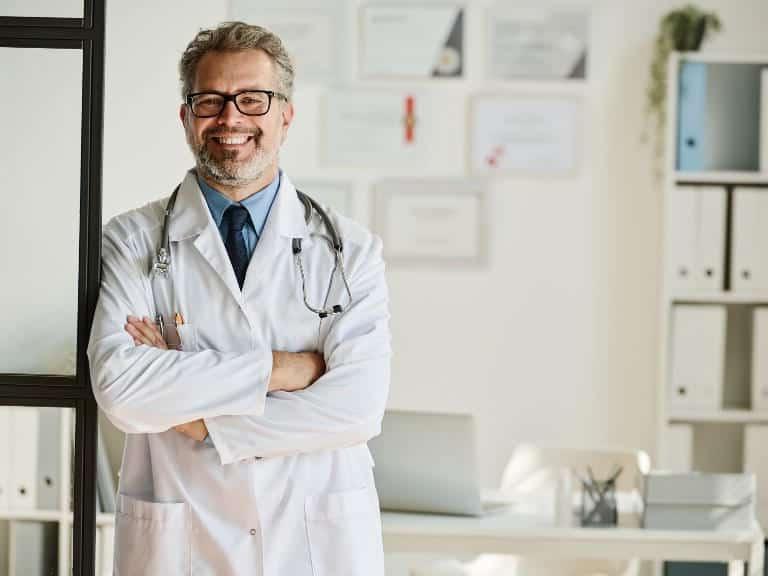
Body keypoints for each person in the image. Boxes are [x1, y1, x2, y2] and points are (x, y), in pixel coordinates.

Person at [88, 21, 390, 575]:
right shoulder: (131, 240)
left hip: (314, 545)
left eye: (253, 100)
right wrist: (283, 370)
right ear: (186, 117)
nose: (230, 119)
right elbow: (123, 391)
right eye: (210, 101)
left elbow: (356, 406)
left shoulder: (348, 250)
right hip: (185, 540)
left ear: (285, 115)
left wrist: (201, 421)